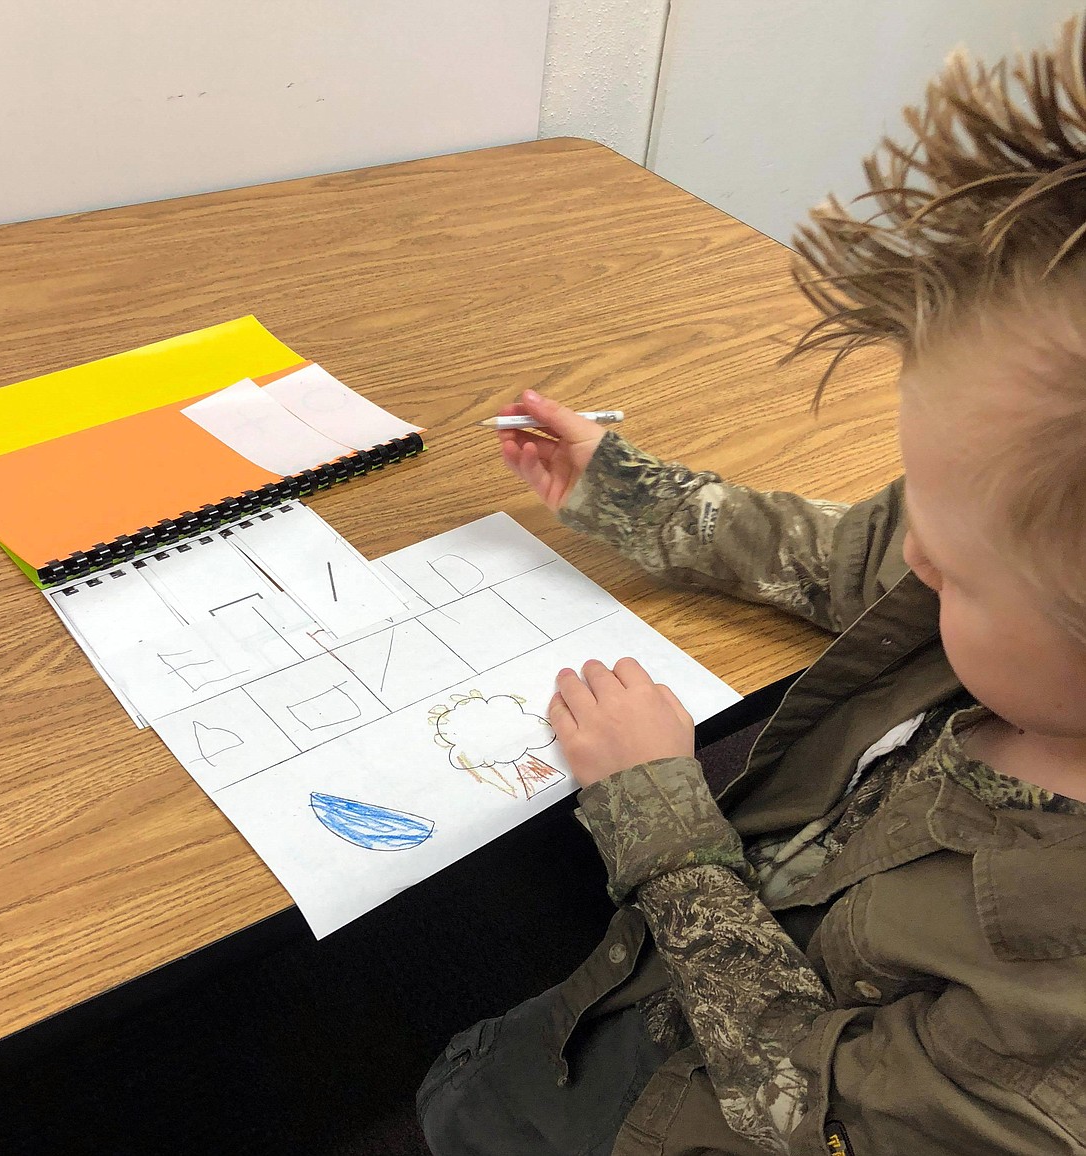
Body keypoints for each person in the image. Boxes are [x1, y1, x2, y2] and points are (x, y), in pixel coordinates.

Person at [417, 18, 1086, 1156]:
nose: (910, 556)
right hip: (723, 943)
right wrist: (622, 492)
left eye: (955, 561)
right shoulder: (1023, 591)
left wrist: (664, 828)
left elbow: (810, 1116)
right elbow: (846, 553)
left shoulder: (1053, 1005)